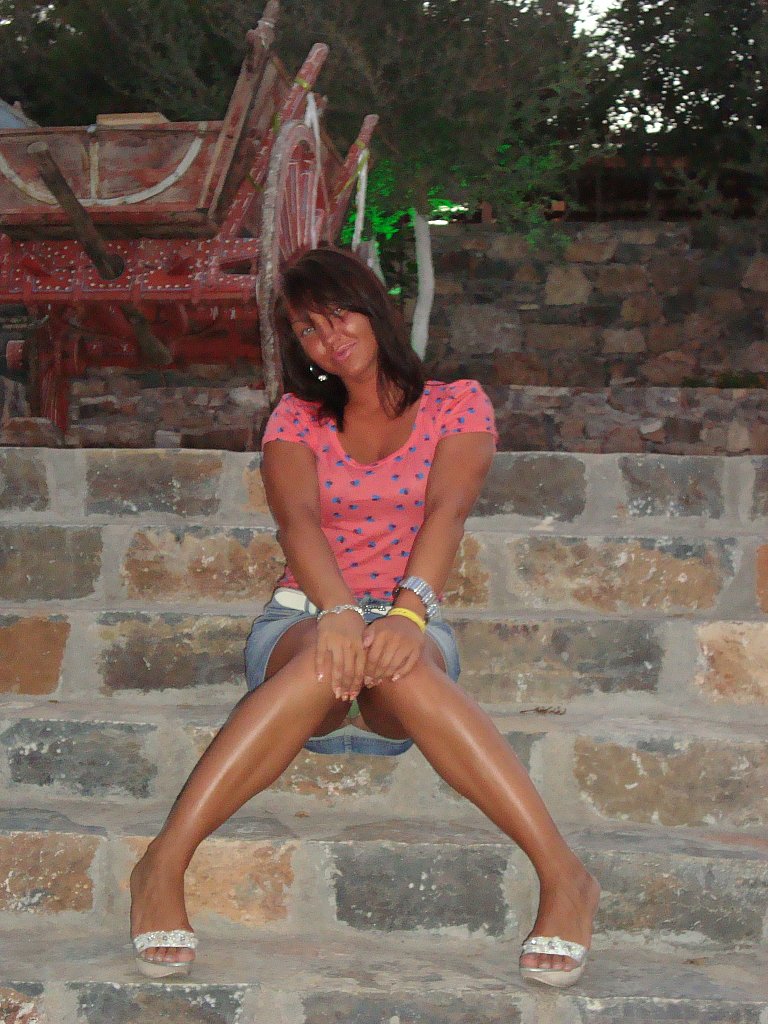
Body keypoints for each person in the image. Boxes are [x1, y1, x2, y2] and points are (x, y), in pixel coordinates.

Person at [129, 247, 599, 988]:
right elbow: (298, 522)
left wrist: (406, 615)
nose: (329, 337)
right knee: (321, 656)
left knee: (405, 667)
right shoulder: (297, 418)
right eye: (308, 329)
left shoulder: (457, 403)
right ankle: (163, 864)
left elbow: (447, 512)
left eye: (339, 314)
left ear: (373, 308)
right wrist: (340, 611)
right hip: (305, 618)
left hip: (409, 619)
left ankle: (565, 877)